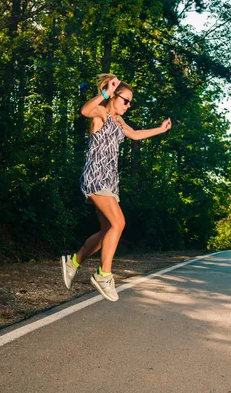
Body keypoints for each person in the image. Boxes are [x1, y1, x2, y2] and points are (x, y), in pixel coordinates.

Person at [61, 74, 171, 301]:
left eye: (131, 102)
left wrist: (160, 130)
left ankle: (74, 262)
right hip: (96, 177)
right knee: (119, 222)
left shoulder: (119, 122)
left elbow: (135, 135)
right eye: (126, 100)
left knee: (106, 232)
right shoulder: (101, 113)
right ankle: (104, 275)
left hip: (110, 181)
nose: (129, 106)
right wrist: (104, 94)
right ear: (114, 96)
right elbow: (84, 111)